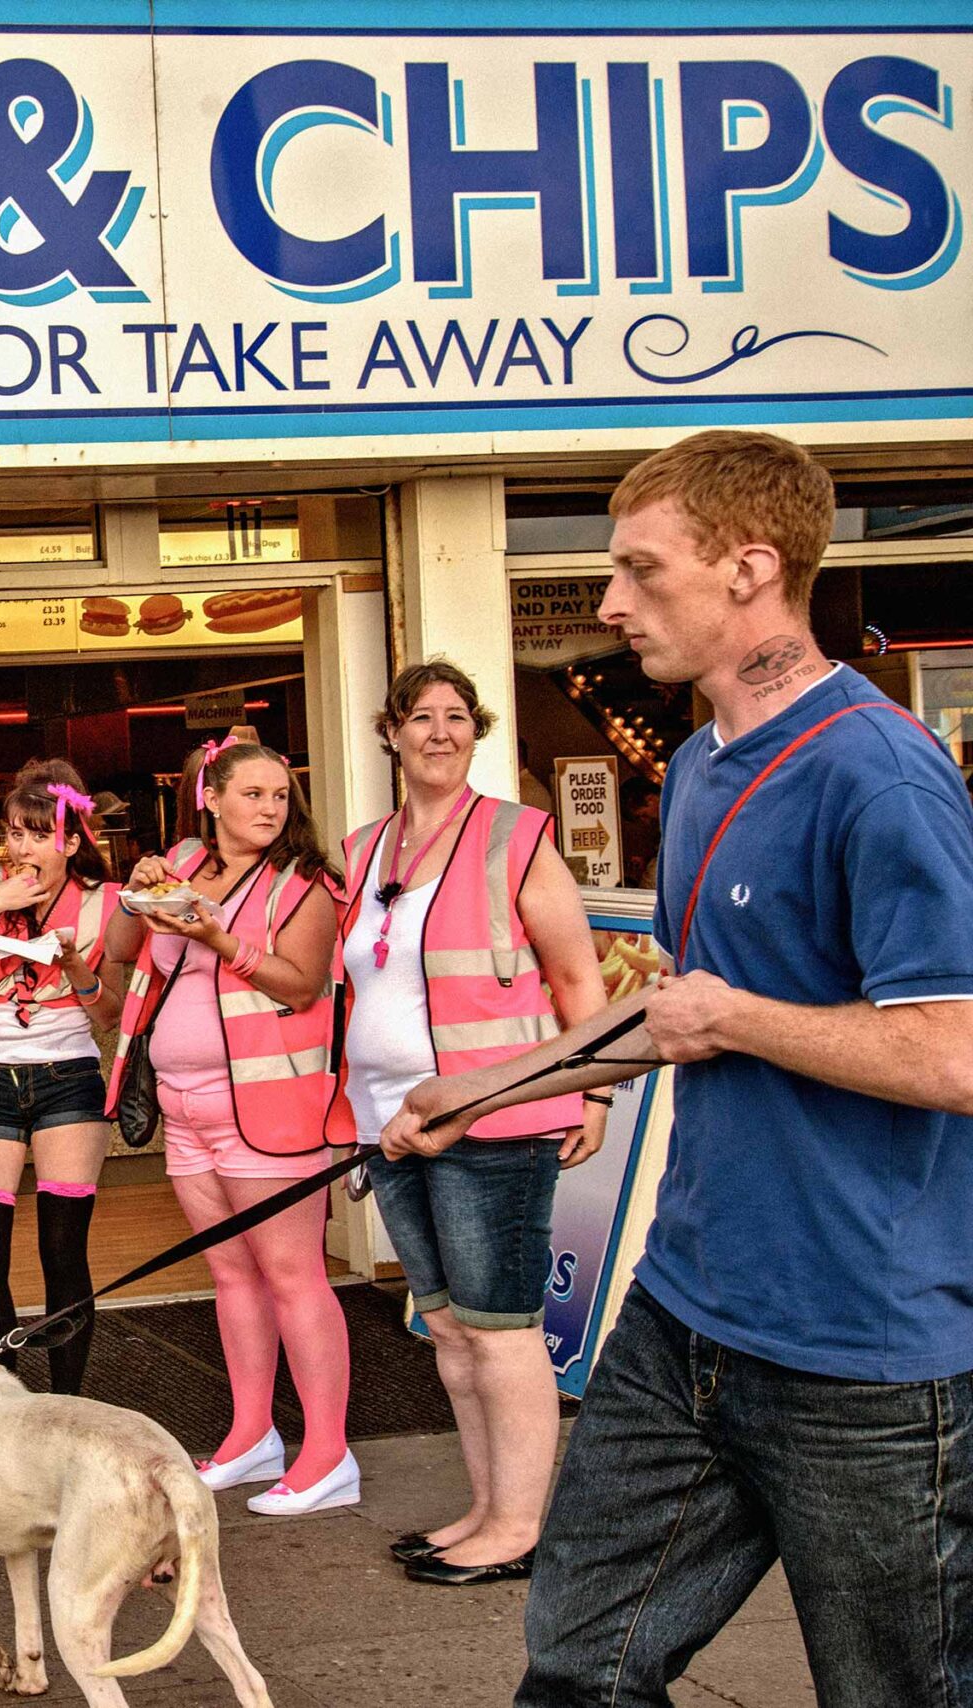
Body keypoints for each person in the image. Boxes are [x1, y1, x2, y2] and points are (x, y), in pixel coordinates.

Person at [380, 431, 973, 1705]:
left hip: (863, 1350)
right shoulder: (700, 764)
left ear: (750, 568)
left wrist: (745, 1020)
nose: (608, 603)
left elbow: (953, 1053)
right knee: (580, 1663)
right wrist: (480, 1091)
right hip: (687, 1309)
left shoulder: (880, 776)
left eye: (640, 572)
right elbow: (673, 1016)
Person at [338, 659, 608, 1585]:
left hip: (495, 1118)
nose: (441, 732)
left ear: (478, 731)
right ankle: (488, 1508)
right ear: (392, 731)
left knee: (500, 1329)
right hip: (391, 1123)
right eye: (422, 717)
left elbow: (579, 980)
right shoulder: (363, 848)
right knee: (448, 1330)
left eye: (459, 717)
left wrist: (596, 1092)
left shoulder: (517, 836)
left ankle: (521, 1530)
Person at [109, 742, 356, 1513]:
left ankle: (328, 1453)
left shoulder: (304, 882)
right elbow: (118, 957)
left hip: (268, 1107)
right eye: (252, 793)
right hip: (185, 1104)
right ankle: (252, 1436)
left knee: (294, 1277)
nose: (270, 808)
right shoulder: (182, 861)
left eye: (280, 795)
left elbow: (305, 982)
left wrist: (221, 940)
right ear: (209, 797)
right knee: (230, 1275)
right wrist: (131, 896)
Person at [0, 758, 127, 1394]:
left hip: (68, 1076)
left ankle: (67, 1403)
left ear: (71, 840)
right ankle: (4, 1398)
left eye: (38, 834)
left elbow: (110, 1011)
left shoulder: (105, 902)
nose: (22, 847)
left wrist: (72, 963)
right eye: (13, 833)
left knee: (63, 1253)